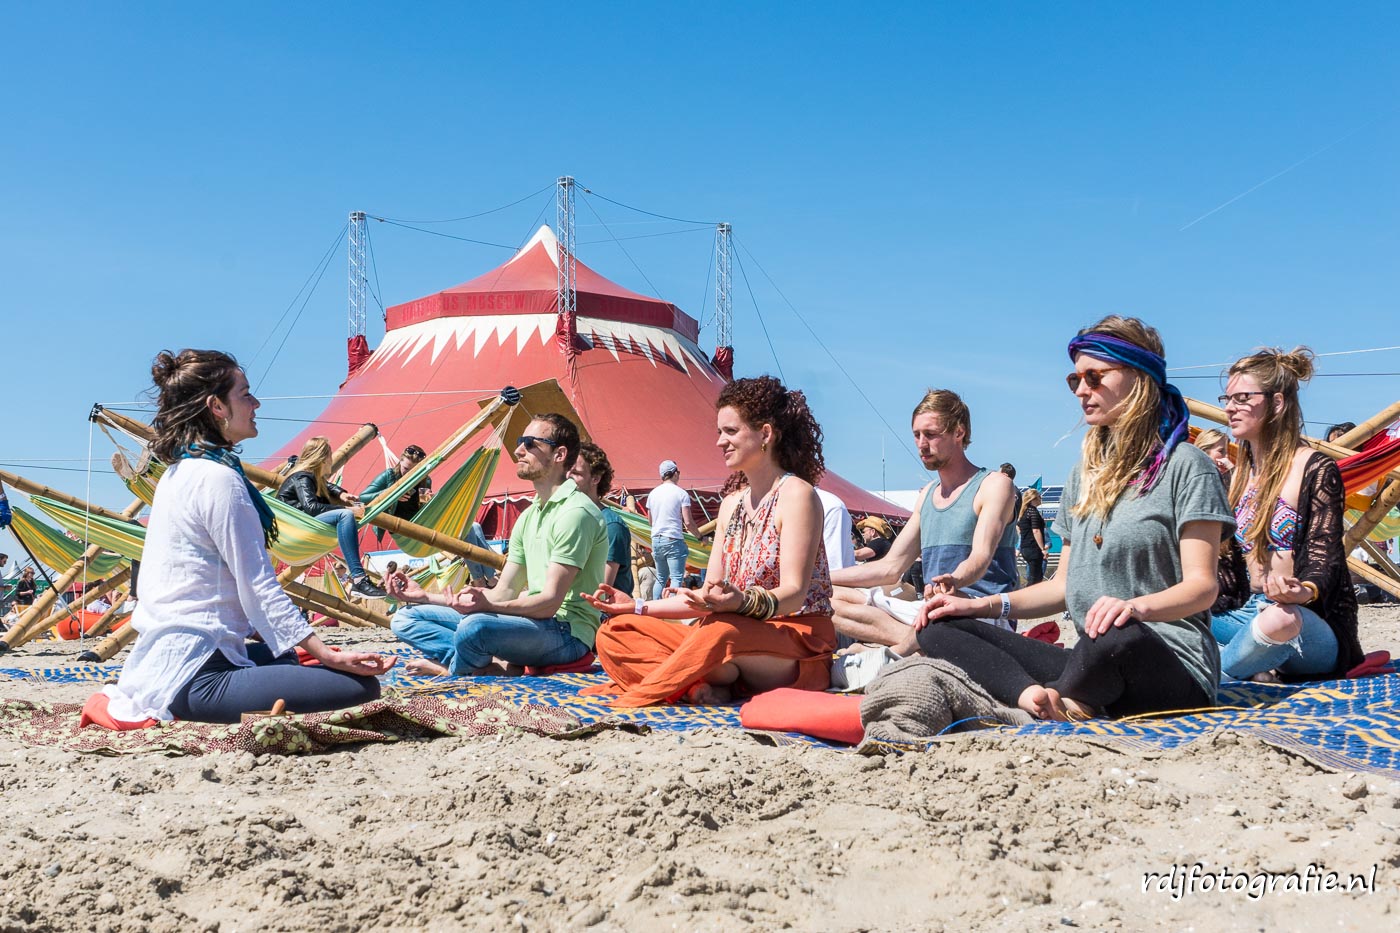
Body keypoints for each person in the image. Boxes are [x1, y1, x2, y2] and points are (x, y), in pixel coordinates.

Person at [917, 316, 1231, 720]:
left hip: (1163, 661)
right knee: (938, 625)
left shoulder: (1187, 466)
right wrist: (979, 607)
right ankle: (1035, 698)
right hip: (1092, 658)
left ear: (1139, 377)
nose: (1082, 390)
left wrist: (1136, 608)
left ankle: (1064, 700)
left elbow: (1203, 587)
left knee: (1115, 631)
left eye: (1094, 377)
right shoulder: (1084, 474)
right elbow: (1062, 586)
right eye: (1075, 380)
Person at [102, 349, 393, 724]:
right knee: (361, 687)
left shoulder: (178, 474)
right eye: (245, 394)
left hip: (159, 661)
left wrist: (299, 644)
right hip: (198, 673)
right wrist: (327, 654)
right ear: (217, 407)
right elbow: (258, 585)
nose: (256, 403)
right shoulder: (219, 479)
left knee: (288, 655)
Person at [581, 376, 836, 706]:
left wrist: (741, 604)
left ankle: (690, 680)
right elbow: (708, 595)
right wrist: (637, 606)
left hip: (794, 641)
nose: (719, 442)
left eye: (730, 431)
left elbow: (793, 593)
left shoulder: (797, 495)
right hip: (730, 632)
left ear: (765, 434)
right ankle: (704, 684)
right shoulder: (731, 505)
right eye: (719, 432)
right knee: (614, 632)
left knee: (718, 630)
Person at [386, 413, 607, 676]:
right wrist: (423, 596)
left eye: (530, 443)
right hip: (534, 622)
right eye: (519, 442)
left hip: (567, 634)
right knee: (406, 617)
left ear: (559, 454)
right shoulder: (529, 515)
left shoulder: (575, 513)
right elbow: (504, 592)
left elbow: (550, 602)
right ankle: (473, 665)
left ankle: (455, 670)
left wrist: (488, 607)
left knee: (474, 626)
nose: (518, 450)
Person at [1210, 348, 1364, 682]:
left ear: (1277, 403)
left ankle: (1211, 677)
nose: (1229, 408)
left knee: (1279, 619)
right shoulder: (1233, 478)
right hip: (1244, 612)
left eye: (1242, 398)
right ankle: (1249, 661)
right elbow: (1223, 568)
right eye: (1227, 398)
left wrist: (1304, 590)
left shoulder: (1314, 468)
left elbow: (1326, 552)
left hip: (1305, 619)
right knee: (1169, 611)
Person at [828, 389, 1019, 648]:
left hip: (981, 609)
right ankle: (921, 643)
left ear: (959, 432)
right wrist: (820, 577)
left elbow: (980, 558)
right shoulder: (928, 495)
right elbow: (890, 567)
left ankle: (920, 644)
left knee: (939, 612)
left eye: (930, 434)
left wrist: (954, 580)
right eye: (916, 435)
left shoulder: (994, 485)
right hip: (933, 610)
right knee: (826, 597)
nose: (921, 443)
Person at [276, 437, 386, 598]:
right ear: (322, 458)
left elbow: (324, 484)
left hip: (299, 528)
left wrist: (340, 493)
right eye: (329, 455)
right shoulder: (302, 477)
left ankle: (359, 580)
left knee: (346, 516)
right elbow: (311, 507)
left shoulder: (309, 478)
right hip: (294, 531)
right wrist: (346, 508)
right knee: (345, 515)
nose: (331, 459)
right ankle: (359, 579)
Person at [569, 441, 635, 597]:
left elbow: (601, 589)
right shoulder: (568, 518)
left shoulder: (611, 525)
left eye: (575, 473)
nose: (567, 478)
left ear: (595, 478)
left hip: (601, 608)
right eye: (566, 471)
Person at [360, 444, 432, 541]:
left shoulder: (425, 481)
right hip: (394, 526)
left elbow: (425, 505)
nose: (408, 474)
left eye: (414, 470)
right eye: (406, 469)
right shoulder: (389, 476)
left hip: (415, 526)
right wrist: (391, 494)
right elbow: (362, 497)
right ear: (400, 461)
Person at [647, 459, 697, 598]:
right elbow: (688, 522)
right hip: (673, 539)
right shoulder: (681, 493)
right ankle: (671, 607)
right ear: (675, 473)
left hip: (656, 539)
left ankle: (655, 605)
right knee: (676, 578)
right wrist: (700, 537)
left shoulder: (653, 494)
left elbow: (650, 522)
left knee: (661, 577)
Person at [815, 488, 856, 572]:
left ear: (873, 532)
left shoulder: (829, 505)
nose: (863, 532)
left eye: (866, 529)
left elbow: (832, 567)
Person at [1017, 489, 1048, 586]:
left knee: (1035, 575)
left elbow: (1018, 527)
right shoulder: (1033, 511)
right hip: (1033, 548)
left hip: (1025, 547)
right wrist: (1042, 548)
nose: (1040, 499)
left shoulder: (1023, 512)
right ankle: (1028, 594)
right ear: (1033, 498)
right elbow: (1036, 530)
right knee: (1035, 578)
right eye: (1039, 497)